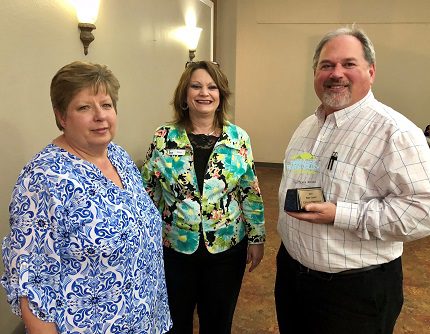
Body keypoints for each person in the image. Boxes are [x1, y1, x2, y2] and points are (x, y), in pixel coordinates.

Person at [275, 26, 430, 334]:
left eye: (349, 64)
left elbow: (423, 212)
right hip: (293, 277)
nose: (336, 73)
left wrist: (341, 214)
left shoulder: (395, 133)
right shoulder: (307, 126)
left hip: (355, 293)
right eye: (326, 65)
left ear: (370, 72)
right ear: (315, 73)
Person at [1, 61, 172, 334]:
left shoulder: (118, 156)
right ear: (61, 117)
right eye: (84, 107)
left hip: (147, 320)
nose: (100, 116)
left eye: (106, 105)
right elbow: (32, 286)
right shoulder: (43, 179)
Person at [141, 60, 265, 334]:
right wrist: (146, 240)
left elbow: (249, 191)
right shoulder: (163, 137)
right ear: (185, 95)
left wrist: (257, 238)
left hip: (226, 248)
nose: (204, 93)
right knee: (175, 322)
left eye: (212, 87)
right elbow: (148, 192)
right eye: (195, 86)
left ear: (220, 95)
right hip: (174, 250)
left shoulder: (238, 138)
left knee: (218, 323)